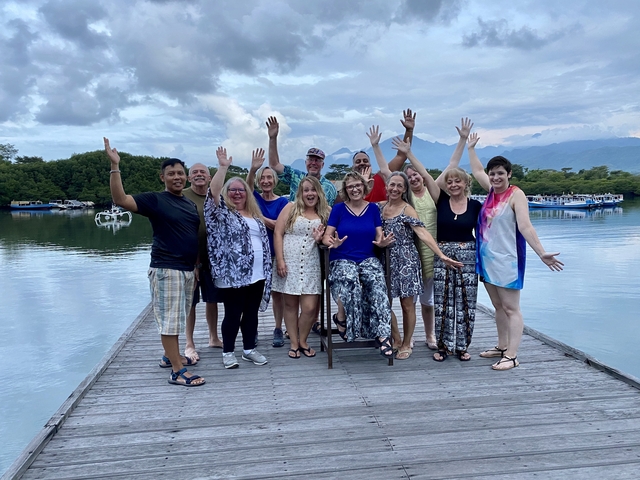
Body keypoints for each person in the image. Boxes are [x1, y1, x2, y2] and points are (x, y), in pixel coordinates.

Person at [104, 137, 205, 387]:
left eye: (181, 173)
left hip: (187, 270)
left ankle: (170, 356)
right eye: (171, 174)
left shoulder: (189, 204)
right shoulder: (156, 200)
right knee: (170, 320)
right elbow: (121, 200)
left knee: (179, 318)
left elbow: (192, 236)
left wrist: (195, 267)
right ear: (163, 177)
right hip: (166, 269)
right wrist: (115, 166)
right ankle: (177, 370)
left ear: (187, 177)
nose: (177, 177)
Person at [468, 135, 563, 370]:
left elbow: (525, 226)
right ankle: (501, 346)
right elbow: (477, 169)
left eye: (500, 173)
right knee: (497, 306)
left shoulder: (515, 195)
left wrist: (541, 253)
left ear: (509, 174)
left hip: (508, 260)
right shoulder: (491, 191)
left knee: (511, 308)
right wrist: (470, 147)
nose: (496, 177)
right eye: (493, 173)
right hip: (487, 260)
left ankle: (512, 355)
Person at [393, 135, 482, 363]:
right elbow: (421, 172)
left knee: (464, 303)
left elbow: (486, 232)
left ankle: (461, 346)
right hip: (436, 254)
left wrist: (463, 141)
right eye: (450, 182)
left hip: (464, 257)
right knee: (441, 302)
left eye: (457, 182)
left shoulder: (474, 206)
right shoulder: (439, 199)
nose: (452, 185)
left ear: (466, 184)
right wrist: (409, 151)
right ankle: (442, 345)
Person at [379, 172, 463, 360]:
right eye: (392, 185)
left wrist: (441, 255)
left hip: (406, 259)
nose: (395, 189)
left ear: (404, 190)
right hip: (385, 260)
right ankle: (397, 338)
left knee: (407, 305)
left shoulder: (407, 209)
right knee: (384, 303)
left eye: (400, 186)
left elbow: (423, 233)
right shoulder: (379, 208)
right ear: (387, 186)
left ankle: (407, 343)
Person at [204, 147, 272, 369]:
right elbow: (213, 192)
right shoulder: (221, 213)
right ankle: (228, 352)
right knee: (233, 313)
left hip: (257, 272)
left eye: (241, 190)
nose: (237, 193)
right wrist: (223, 167)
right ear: (227, 192)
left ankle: (249, 349)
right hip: (233, 274)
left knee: (251, 314)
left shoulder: (254, 215)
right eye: (232, 190)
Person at [322, 171, 395, 358]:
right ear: (346, 190)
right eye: (350, 186)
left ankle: (383, 335)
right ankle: (342, 319)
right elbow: (326, 235)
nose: (354, 189)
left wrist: (382, 242)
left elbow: (378, 233)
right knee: (349, 278)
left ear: (364, 187)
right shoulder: (338, 209)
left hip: (366, 257)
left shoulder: (372, 209)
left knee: (378, 284)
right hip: (342, 257)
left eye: (357, 185)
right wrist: (332, 243)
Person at [273, 177, 330, 358]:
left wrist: (321, 239)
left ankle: (303, 339)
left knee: (310, 308)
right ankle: (295, 343)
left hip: (312, 263)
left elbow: (331, 235)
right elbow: (278, 232)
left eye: (313, 190)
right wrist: (280, 260)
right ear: (300, 192)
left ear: (319, 192)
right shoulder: (290, 208)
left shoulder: (325, 212)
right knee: (290, 305)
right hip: (289, 261)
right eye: (306, 190)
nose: (309, 194)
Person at [246, 152, 289, 348]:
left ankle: (278, 328)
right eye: (262, 178)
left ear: (275, 180)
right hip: (255, 255)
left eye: (269, 177)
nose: (265, 181)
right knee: (254, 292)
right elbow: (247, 188)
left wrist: (258, 218)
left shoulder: (283, 203)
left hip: (276, 253)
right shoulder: (254, 199)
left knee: (277, 293)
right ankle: (252, 329)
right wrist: (253, 168)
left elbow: (280, 227)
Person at [182, 163, 223, 361]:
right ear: (189, 178)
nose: (199, 175)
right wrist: (195, 263)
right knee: (190, 302)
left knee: (212, 299)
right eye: (195, 172)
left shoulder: (215, 196)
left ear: (209, 178)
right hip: (189, 258)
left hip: (212, 259)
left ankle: (213, 337)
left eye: (203, 172)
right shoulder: (182, 196)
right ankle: (189, 343)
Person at [266, 116, 338, 206]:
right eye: (311, 160)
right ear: (305, 163)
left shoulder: (330, 188)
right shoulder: (295, 176)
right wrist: (273, 138)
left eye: (317, 160)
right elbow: (274, 165)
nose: (313, 163)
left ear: (322, 165)